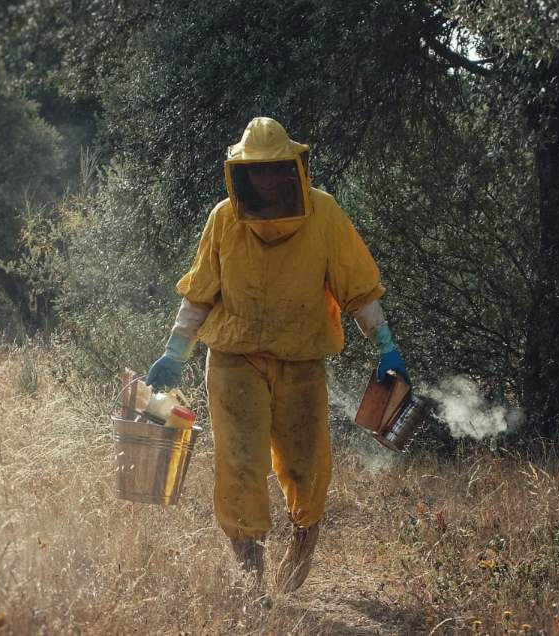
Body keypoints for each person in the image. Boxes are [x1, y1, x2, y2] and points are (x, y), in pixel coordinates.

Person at [146, 116, 408, 595]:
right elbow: (200, 293)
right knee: (240, 463)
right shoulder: (225, 218)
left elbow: (358, 288)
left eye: (274, 168)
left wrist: (386, 345)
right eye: (256, 169)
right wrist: (174, 351)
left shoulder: (324, 214)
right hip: (233, 360)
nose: (265, 178)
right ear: (240, 173)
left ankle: (303, 540)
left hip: (301, 362)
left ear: (293, 168)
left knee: (306, 467)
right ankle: (252, 584)